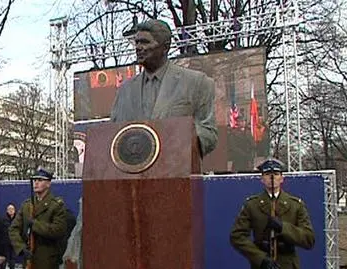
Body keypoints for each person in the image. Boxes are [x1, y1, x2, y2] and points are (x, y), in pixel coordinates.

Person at [110, 19, 218, 157]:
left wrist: (175, 136)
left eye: (145, 42)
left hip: (176, 169)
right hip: (132, 173)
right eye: (137, 42)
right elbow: (112, 134)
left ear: (165, 47)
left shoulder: (196, 82)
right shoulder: (125, 90)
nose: (138, 47)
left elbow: (208, 134)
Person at [230, 158, 315, 269]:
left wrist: (283, 227)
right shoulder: (252, 205)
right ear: (262, 179)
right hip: (262, 265)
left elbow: (309, 239)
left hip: (288, 264)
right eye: (267, 174)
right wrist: (260, 258)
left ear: (282, 178)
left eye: (276, 174)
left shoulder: (295, 205)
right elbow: (237, 236)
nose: (272, 177)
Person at [9, 168, 68, 269]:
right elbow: (13, 229)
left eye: (40, 180)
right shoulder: (27, 205)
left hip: (47, 259)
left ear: (48, 184)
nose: (36, 183)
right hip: (29, 257)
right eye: (34, 180)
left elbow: (58, 230)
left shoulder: (56, 205)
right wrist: (21, 248)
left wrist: (35, 225)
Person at [1, 203, 17, 269]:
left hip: (14, 242)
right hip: (5, 242)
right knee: (4, 259)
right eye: (9, 209)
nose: (11, 210)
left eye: (12, 209)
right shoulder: (3, 219)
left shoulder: (17, 219)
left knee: (13, 260)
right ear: (7, 210)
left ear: (15, 210)